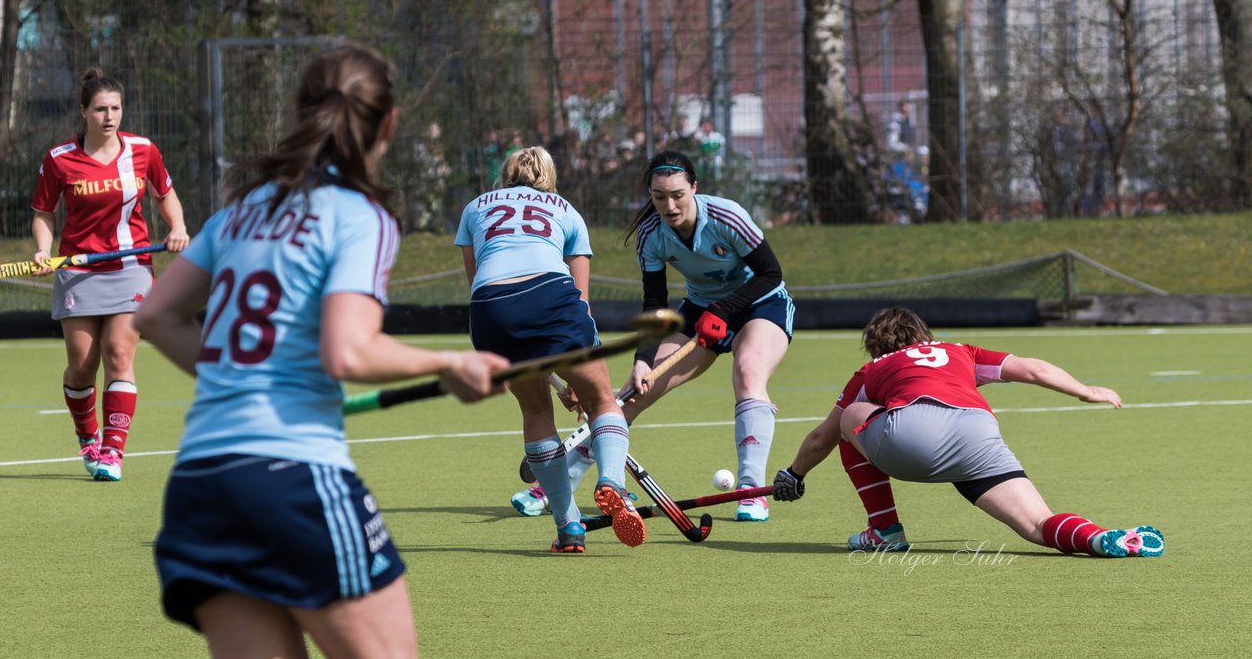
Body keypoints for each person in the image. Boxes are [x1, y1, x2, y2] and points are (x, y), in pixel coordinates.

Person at [22, 44, 506, 659]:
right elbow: (348, 351)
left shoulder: (245, 209)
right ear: (389, 125)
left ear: (299, 115)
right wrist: (448, 361)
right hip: (292, 478)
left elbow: (155, 317)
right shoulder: (361, 215)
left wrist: (233, 378)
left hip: (201, 485)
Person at [514, 149, 793, 523]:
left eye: (678, 194)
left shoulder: (727, 216)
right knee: (632, 395)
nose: (670, 205)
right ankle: (555, 485)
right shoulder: (651, 234)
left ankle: (750, 491)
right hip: (699, 310)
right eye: (659, 197)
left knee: (748, 375)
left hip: (761, 305)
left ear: (694, 187)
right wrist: (642, 361)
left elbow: (770, 274)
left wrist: (723, 310)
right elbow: (654, 303)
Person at [775, 306, 1164, 557]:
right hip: (977, 435)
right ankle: (1099, 538)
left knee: (849, 418)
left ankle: (885, 530)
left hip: (911, 436)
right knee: (1036, 525)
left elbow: (820, 438)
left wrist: (794, 474)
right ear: (924, 335)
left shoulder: (872, 369)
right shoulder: (962, 351)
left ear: (874, 346)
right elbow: (1034, 369)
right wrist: (1085, 391)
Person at [456, 144, 645, 553]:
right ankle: (613, 481)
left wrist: (555, 377)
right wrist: (575, 373)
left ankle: (568, 527)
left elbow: (480, 283)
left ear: (504, 176)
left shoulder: (474, 208)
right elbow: (579, 298)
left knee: (536, 410)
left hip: (491, 309)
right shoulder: (566, 210)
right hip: (552, 297)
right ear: (549, 178)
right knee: (602, 403)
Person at [29, 67, 191, 482]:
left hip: (131, 267)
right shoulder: (59, 159)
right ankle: (88, 436)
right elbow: (43, 213)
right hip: (79, 271)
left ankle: (113, 452)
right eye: (100, 109)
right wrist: (44, 250)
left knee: (119, 353)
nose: (109, 116)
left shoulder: (142, 150)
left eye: (116, 108)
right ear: (84, 111)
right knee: (83, 365)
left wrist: (177, 229)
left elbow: (165, 195)